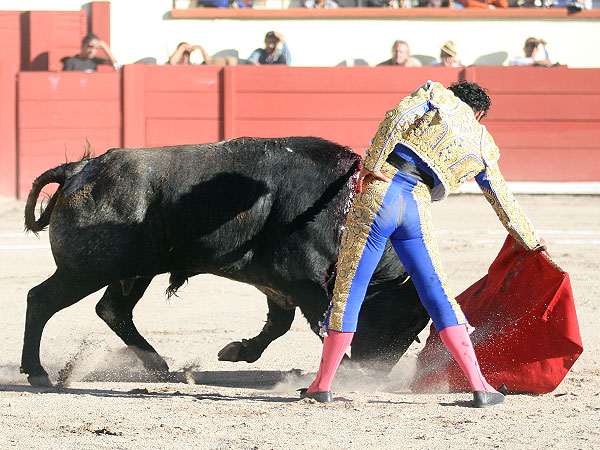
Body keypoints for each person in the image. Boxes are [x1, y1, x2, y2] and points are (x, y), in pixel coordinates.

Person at [299, 80, 546, 408]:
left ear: (456, 97)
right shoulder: (483, 143)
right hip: (417, 207)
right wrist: (530, 240)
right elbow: (501, 198)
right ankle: (480, 385)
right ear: (481, 114)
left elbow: (396, 116)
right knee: (439, 294)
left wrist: (371, 165)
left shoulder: (435, 95)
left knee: (349, 291)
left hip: (381, 194)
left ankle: (322, 385)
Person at [167, 42, 237, 66]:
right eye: (183, 53)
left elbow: (231, 60)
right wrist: (183, 47)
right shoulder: (173, 64)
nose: (185, 56)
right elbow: (173, 62)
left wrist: (200, 48)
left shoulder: (194, 65)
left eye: (188, 53)